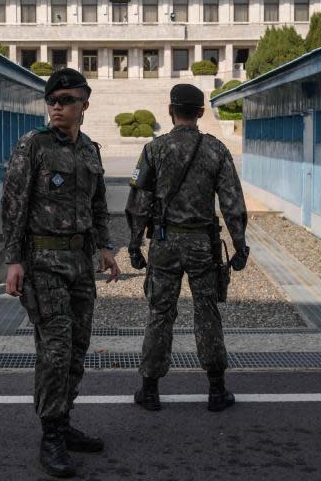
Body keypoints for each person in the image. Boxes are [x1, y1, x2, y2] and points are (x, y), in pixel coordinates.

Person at [1, 68, 121, 478]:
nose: (56, 106)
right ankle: (50, 435)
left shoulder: (90, 150)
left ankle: (64, 422)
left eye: (66, 100)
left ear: (84, 105)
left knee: (77, 349)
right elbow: (14, 205)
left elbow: (99, 204)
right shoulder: (32, 146)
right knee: (54, 350)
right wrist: (13, 260)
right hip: (43, 263)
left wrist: (105, 246)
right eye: (52, 100)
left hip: (80, 264)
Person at [125, 83, 250, 413]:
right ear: (200, 113)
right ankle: (216, 389)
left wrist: (136, 244)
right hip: (201, 244)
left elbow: (139, 202)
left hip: (164, 243)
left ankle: (150, 389)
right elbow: (232, 202)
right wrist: (240, 245)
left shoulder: (154, 150)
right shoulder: (216, 150)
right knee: (207, 312)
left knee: (160, 313)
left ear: (169, 110)